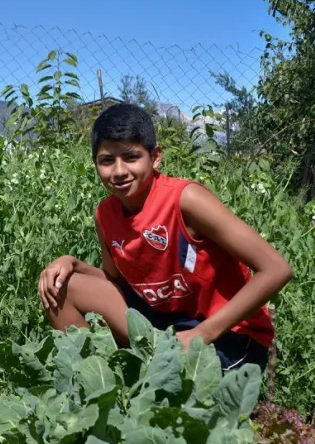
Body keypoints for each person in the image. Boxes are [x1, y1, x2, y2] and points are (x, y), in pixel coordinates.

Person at [37, 103, 292, 371]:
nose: (119, 171)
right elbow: (115, 283)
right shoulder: (105, 213)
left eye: (131, 157)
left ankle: (146, 378)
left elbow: (276, 269)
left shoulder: (186, 199)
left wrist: (201, 335)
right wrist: (71, 263)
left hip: (227, 333)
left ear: (155, 157)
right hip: (163, 321)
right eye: (107, 160)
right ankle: (98, 384)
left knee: (174, 407)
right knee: (61, 286)